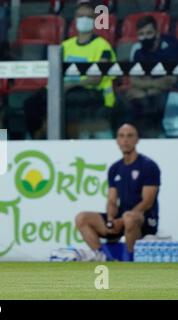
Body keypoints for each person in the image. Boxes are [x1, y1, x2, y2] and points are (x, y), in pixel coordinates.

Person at [75, 123, 161, 261]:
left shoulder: (148, 166)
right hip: (121, 219)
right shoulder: (115, 168)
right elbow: (112, 200)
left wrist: (122, 220)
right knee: (82, 218)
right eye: (121, 136)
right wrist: (110, 219)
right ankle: (104, 258)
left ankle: (131, 260)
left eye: (129, 136)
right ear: (117, 141)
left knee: (129, 217)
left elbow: (147, 202)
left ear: (137, 140)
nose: (125, 140)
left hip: (143, 221)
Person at [62, 1, 117, 139]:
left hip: (93, 92)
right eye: (80, 16)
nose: (84, 20)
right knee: (33, 102)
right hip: (67, 91)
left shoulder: (102, 46)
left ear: (95, 21)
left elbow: (96, 79)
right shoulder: (64, 46)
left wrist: (71, 85)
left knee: (72, 103)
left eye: (88, 17)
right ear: (75, 20)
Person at [126, 15, 178, 138]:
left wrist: (147, 90)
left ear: (157, 33)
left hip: (172, 92)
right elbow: (134, 80)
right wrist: (154, 85)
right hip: (153, 90)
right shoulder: (137, 50)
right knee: (129, 101)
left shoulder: (171, 46)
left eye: (149, 33)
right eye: (141, 34)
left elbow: (171, 81)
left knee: (150, 100)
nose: (145, 37)